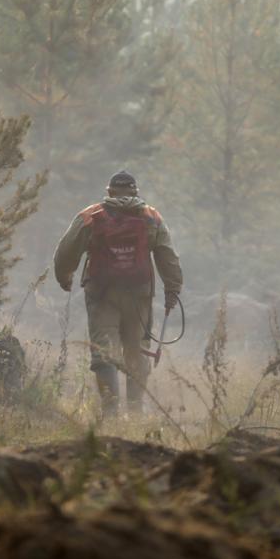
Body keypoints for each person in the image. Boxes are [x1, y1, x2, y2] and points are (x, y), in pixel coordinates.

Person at [53, 170, 183, 416]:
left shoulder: (91, 216)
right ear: (136, 192)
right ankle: (135, 412)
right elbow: (167, 256)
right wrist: (172, 289)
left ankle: (110, 413)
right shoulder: (151, 217)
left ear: (109, 192)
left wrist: (64, 277)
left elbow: (66, 251)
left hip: (103, 295)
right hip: (139, 296)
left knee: (104, 351)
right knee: (137, 351)